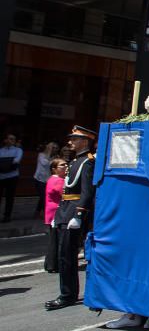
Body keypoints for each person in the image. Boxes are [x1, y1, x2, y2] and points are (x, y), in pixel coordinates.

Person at [46, 126, 96, 310]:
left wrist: (79, 215)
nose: (70, 142)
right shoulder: (75, 161)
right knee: (61, 254)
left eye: (74, 139)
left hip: (74, 211)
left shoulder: (88, 162)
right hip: (64, 210)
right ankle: (67, 292)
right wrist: (58, 214)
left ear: (85, 141)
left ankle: (67, 295)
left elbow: (86, 191)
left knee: (67, 255)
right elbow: (67, 190)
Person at [43, 158, 67, 272]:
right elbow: (64, 194)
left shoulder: (53, 179)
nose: (66, 166)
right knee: (56, 240)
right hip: (56, 213)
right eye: (62, 165)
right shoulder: (57, 180)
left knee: (54, 239)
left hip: (53, 212)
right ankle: (54, 264)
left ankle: (51, 264)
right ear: (54, 169)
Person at [0, 133, 23, 223]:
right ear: (5, 140)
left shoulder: (18, 150)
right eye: (9, 139)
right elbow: (12, 162)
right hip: (1, 177)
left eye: (13, 139)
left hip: (12, 177)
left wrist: (4, 163)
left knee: (9, 197)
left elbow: (16, 161)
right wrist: (9, 162)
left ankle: (7, 216)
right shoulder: (1, 150)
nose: (11, 141)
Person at [33, 142, 59, 217]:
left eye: (56, 148)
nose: (55, 149)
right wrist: (54, 160)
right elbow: (45, 163)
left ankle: (37, 212)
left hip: (48, 180)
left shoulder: (55, 157)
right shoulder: (41, 155)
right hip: (39, 179)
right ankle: (47, 214)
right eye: (53, 148)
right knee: (44, 196)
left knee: (44, 196)